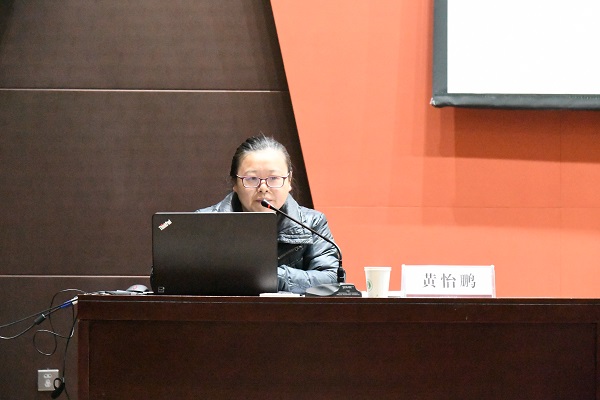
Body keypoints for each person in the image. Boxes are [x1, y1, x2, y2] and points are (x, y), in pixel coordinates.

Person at [197, 135, 340, 294]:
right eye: (252, 178)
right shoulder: (204, 222)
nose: (263, 188)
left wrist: (271, 276)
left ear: (289, 181)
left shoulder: (312, 223)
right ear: (235, 183)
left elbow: (331, 280)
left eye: (273, 178)